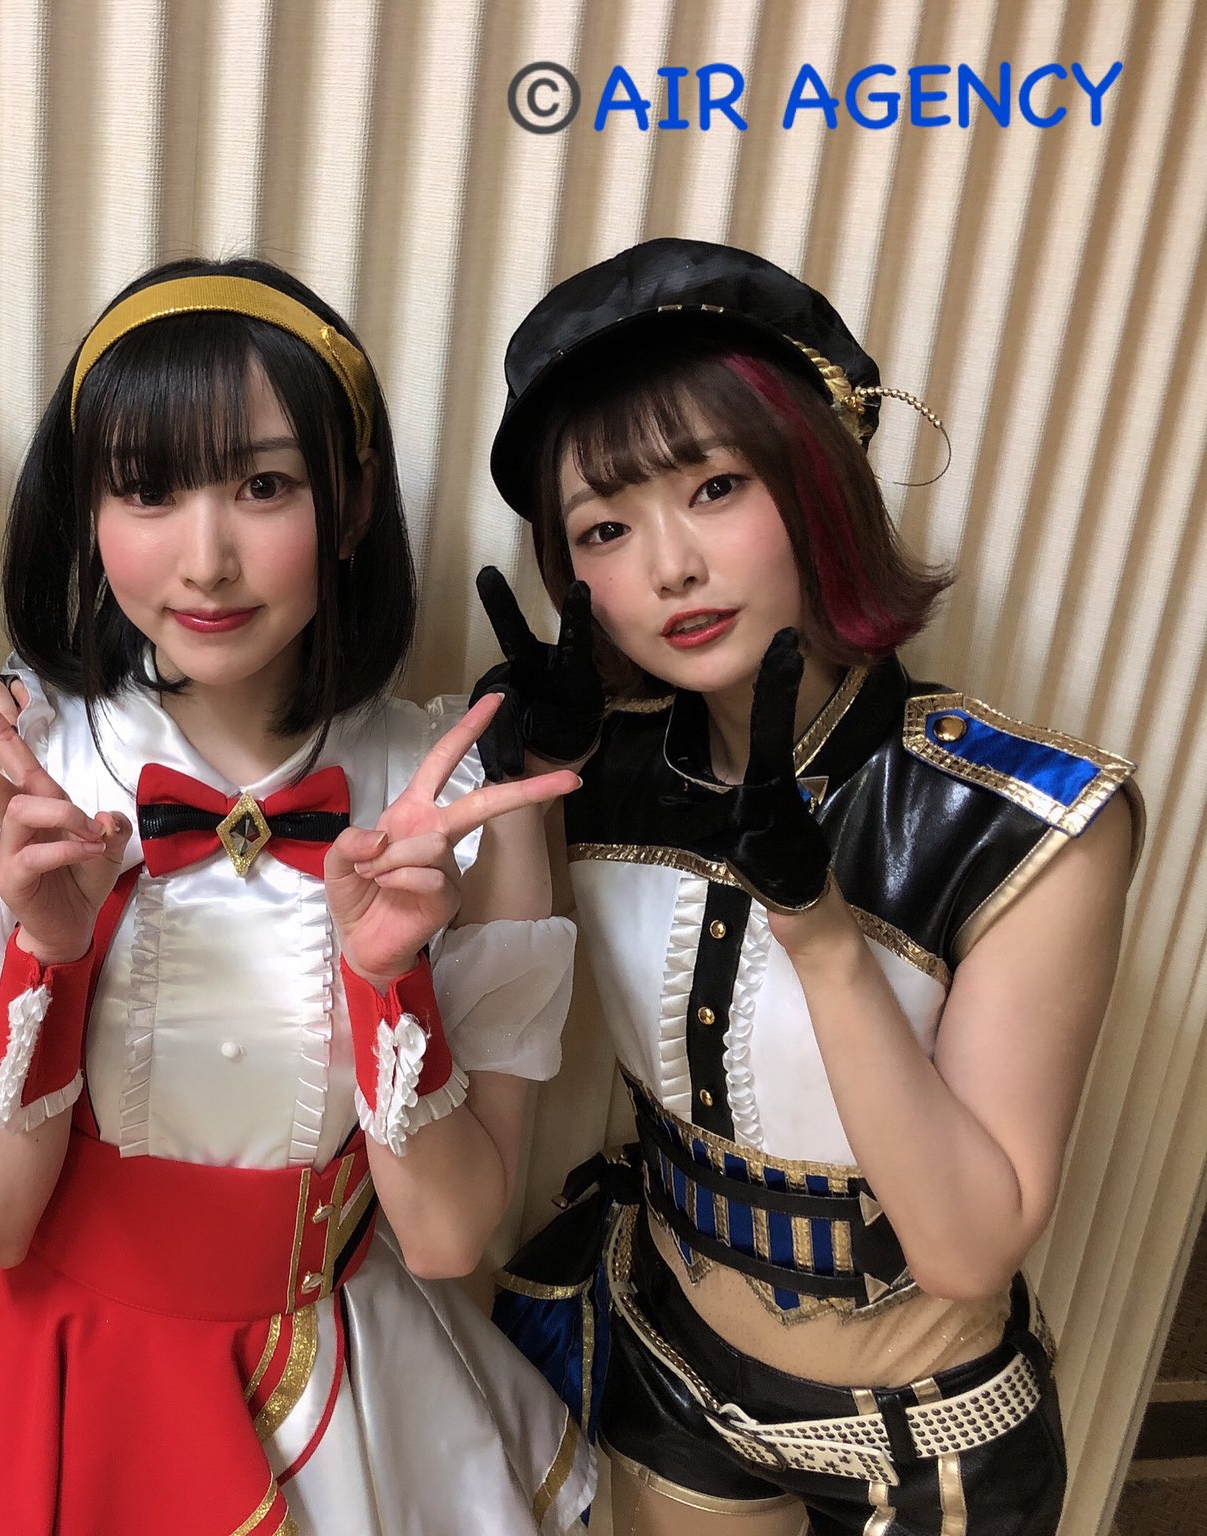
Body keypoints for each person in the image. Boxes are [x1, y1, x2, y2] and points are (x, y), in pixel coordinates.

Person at [0, 257, 596, 1535]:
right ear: (87, 509)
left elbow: (445, 1240)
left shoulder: (462, 800)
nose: (205, 561)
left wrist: (387, 983)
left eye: (263, 486)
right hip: (36, 1373)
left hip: (338, 1393)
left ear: (352, 501)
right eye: (146, 489)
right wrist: (49, 956)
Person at [475, 238, 1141, 1535]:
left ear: (818, 483)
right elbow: (509, 1026)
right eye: (604, 528)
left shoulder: (1025, 818)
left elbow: (965, 1248)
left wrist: (824, 935)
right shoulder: (605, 769)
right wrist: (523, 790)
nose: (668, 567)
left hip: (924, 1436)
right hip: (670, 1370)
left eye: (715, 486)